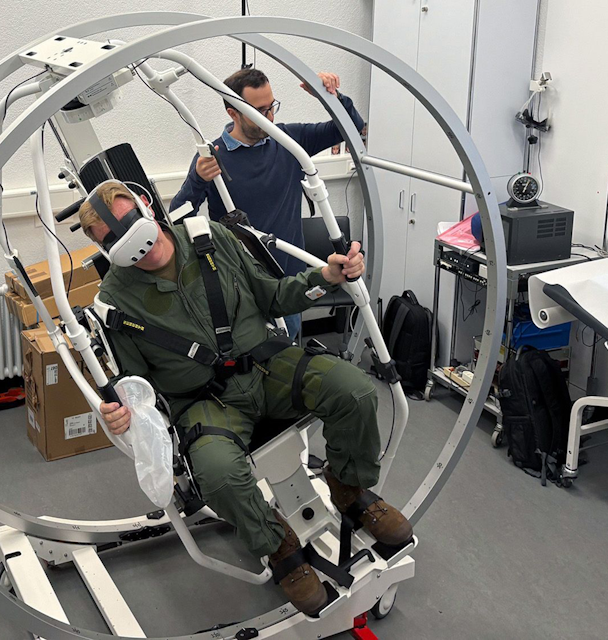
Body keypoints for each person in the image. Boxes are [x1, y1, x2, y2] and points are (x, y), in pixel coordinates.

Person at [78, 181, 412, 616]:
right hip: (204, 403)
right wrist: (121, 414)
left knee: (356, 391)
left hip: (269, 366)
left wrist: (324, 278)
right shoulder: (114, 304)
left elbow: (272, 296)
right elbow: (137, 391)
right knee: (218, 474)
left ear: (147, 205)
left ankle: (349, 488)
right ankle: (279, 548)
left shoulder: (209, 237)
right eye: (115, 238)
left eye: (131, 220)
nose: (135, 241)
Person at [169, 68, 365, 339]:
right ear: (233, 113)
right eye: (259, 111)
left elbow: (353, 127)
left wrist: (329, 96)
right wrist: (198, 179)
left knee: (287, 355)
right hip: (241, 284)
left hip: (289, 280)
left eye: (271, 107)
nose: (270, 117)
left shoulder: (289, 141)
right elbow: (177, 218)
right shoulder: (214, 157)